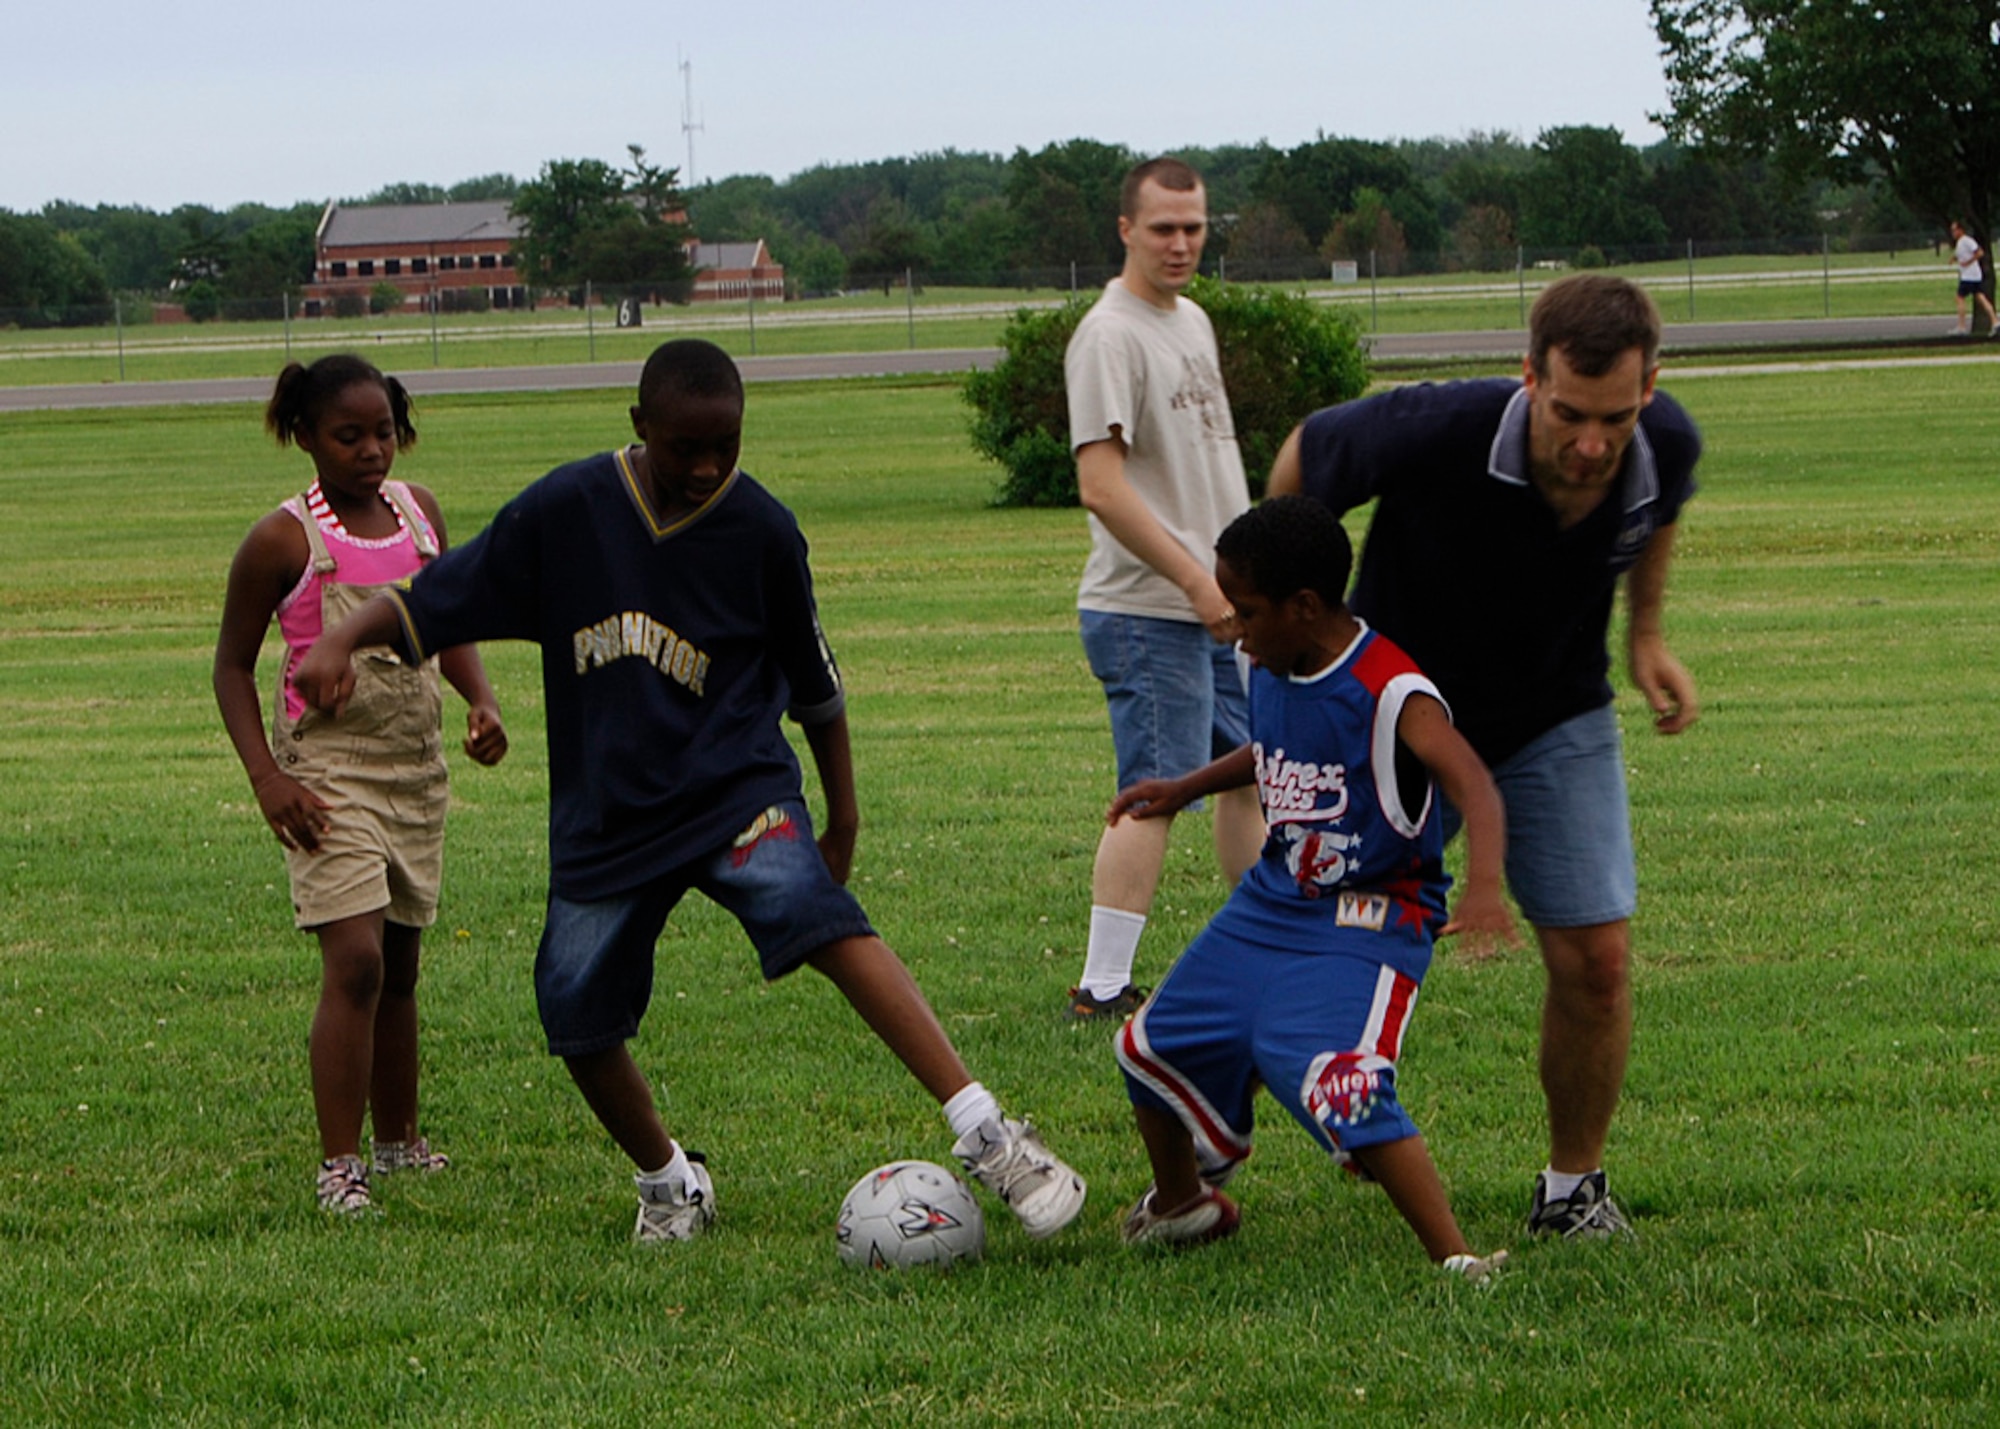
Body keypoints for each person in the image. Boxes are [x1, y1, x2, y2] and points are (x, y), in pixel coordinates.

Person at [293, 339, 1087, 1245]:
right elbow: (440, 596)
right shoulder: (570, 510)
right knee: (574, 1012)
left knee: (821, 916)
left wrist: (844, 813)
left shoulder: (763, 530)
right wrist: (338, 640)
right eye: (684, 449)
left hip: (734, 790)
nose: (707, 468)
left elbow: (818, 688)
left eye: (727, 446)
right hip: (611, 816)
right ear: (639, 427)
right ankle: (670, 1182)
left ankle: (990, 1133)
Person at [1268, 272, 1701, 1240]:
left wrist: (1645, 638)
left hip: (1551, 714)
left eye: (1615, 417)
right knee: (1317, 939)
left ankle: (1571, 1189)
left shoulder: (1662, 442)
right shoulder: (1433, 430)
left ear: (1649, 386)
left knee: (1595, 958)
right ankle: (1242, 1141)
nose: (1592, 445)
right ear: (1526, 378)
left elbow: (1656, 513)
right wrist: (1295, 620)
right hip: (1398, 722)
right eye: (1568, 414)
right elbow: (1304, 456)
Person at [1110, 497, 1516, 1279]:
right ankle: (1184, 1201)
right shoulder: (1263, 659)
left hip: (1370, 916)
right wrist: (1183, 785)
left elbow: (1476, 784)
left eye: (1247, 610)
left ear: (1303, 607)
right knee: (1146, 1047)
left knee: (1343, 1084)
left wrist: (1486, 888)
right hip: (1271, 900)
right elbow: (1273, 750)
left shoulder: (1393, 691)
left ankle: (1459, 1259)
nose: (1234, 626)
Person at [214, 353, 509, 1215]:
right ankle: (339, 1165)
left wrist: (481, 700)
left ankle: (399, 1142)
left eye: (383, 431)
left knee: (403, 967)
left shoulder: (420, 517)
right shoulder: (283, 539)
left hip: (412, 770)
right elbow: (232, 668)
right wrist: (267, 779)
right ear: (303, 436)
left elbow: (446, 621)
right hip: (325, 775)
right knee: (355, 962)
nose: (371, 450)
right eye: (348, 436)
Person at [1061, 155, 1263, 1021]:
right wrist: (1194, 581)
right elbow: (1102, 486)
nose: (1181, 244)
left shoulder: (1192, 321)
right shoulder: (1110, 335)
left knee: (1252, 777)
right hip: (1150, 609)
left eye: (1195, 228)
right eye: (1163, 229)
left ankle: (1273, 943)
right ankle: (1102, 988)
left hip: (1219, 608)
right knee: (1155, 787)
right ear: (1125, 231)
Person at [1947, 221, 1999, 337]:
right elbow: (1959, 254)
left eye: (1954, 230)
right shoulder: (1960, 243)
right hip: (1973, 276)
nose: (1953, 233)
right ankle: (1995, 322)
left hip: (1969, 276)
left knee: (1959, 297)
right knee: (1981, 297)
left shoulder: (1966, 241)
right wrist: (1953, 259)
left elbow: (1979, 252)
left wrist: (1968, 262)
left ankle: (1961, 327)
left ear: (1961, 230)